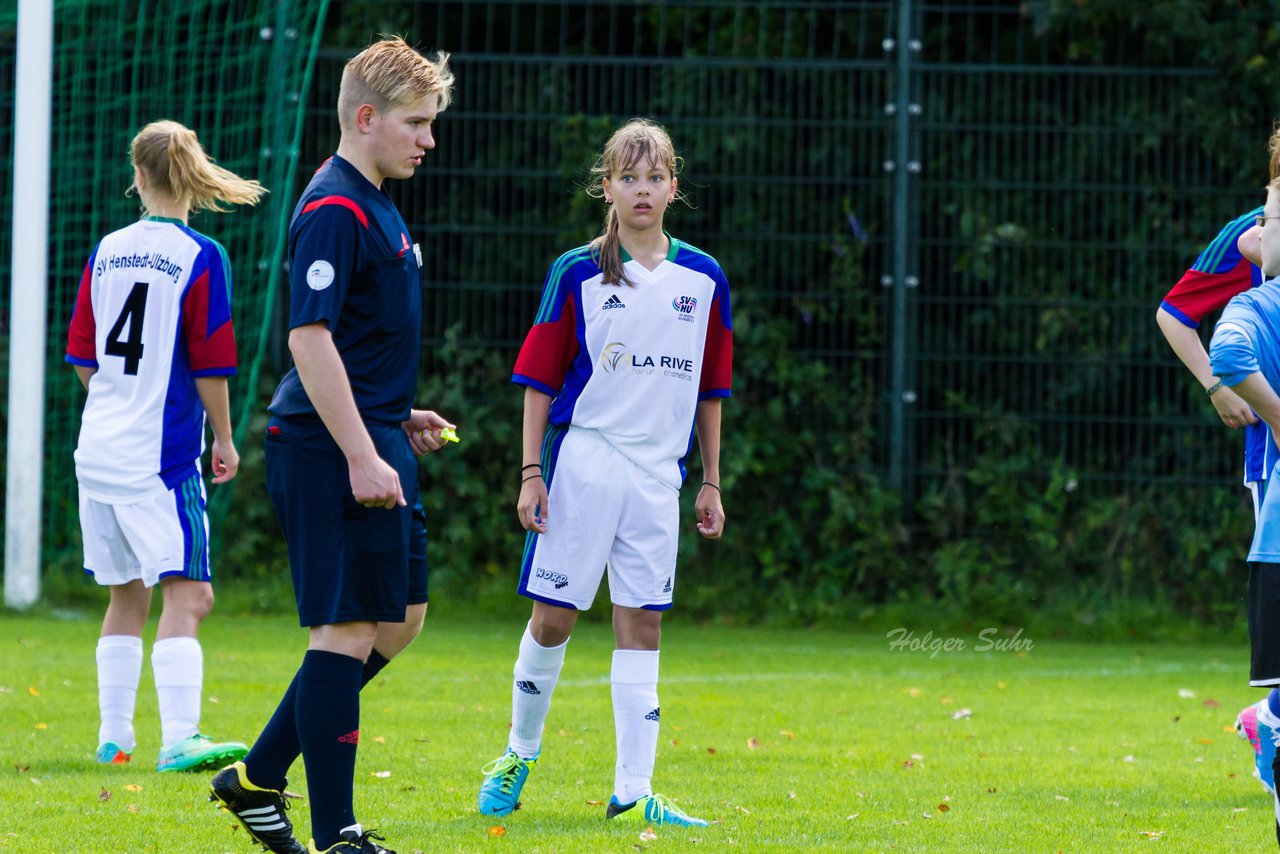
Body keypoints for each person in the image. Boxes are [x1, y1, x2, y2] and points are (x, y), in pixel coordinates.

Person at [206, 38, 454, 854]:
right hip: (324, 448)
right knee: (346, 631)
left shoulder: (377, 197)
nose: (427, 139)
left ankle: (255, 776)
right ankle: (338, 833)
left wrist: (395, 413)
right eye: (416, 123)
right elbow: (308, 339)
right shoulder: (334, 207)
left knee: (402, 619)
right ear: (365, 117)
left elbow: (352, 336)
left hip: (372, 432)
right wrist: (357, 448)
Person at [475, 118, 733, 828]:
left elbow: (712, 388)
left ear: (673, 187)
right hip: (583, 465)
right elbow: (537, 379)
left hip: (659, 478)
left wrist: (710, 478)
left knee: (642, 625)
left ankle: (632, 789)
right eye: (628, 177)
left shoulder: (704, 278)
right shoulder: (577, 271)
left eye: (654, 178)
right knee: (554, 618)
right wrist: (532, 471)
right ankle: (518, 753)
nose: (642, 190)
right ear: (607, 187)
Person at [65, 120, 265, 773]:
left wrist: (117, 399)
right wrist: (226, 439)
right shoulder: (202, 256)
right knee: (191, 593)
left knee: (127, 594)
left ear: (140, 176)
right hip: (160, 457)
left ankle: (114, 737)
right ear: (191, 172)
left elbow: (81, 355)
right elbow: (212, 365)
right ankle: (180, 735)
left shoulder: (106, 249)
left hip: (97, 450)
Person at [1158, 144, 1280, 794]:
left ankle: (1270, 718)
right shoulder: (1247, 238)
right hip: (1274, 455)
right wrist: (1217, 384)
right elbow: (1173, 314)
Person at [1210, 177, 1280, 846]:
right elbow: (1175, 314)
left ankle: (1271, 720)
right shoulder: (1256, 303)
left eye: (1267, 214)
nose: (1249, 229)